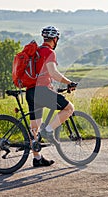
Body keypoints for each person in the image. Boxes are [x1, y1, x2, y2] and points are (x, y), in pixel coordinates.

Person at [25, 26, 77, 167]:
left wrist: (52, 88)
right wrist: (69, 82)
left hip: (30, 92)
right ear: (55, 39)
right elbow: (53, 73)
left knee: (35, 128)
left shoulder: (36, 52)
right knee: (69, 108)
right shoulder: (49, 52)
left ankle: (37, 158)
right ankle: (49, 131)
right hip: (41, 92)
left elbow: (42, 75)